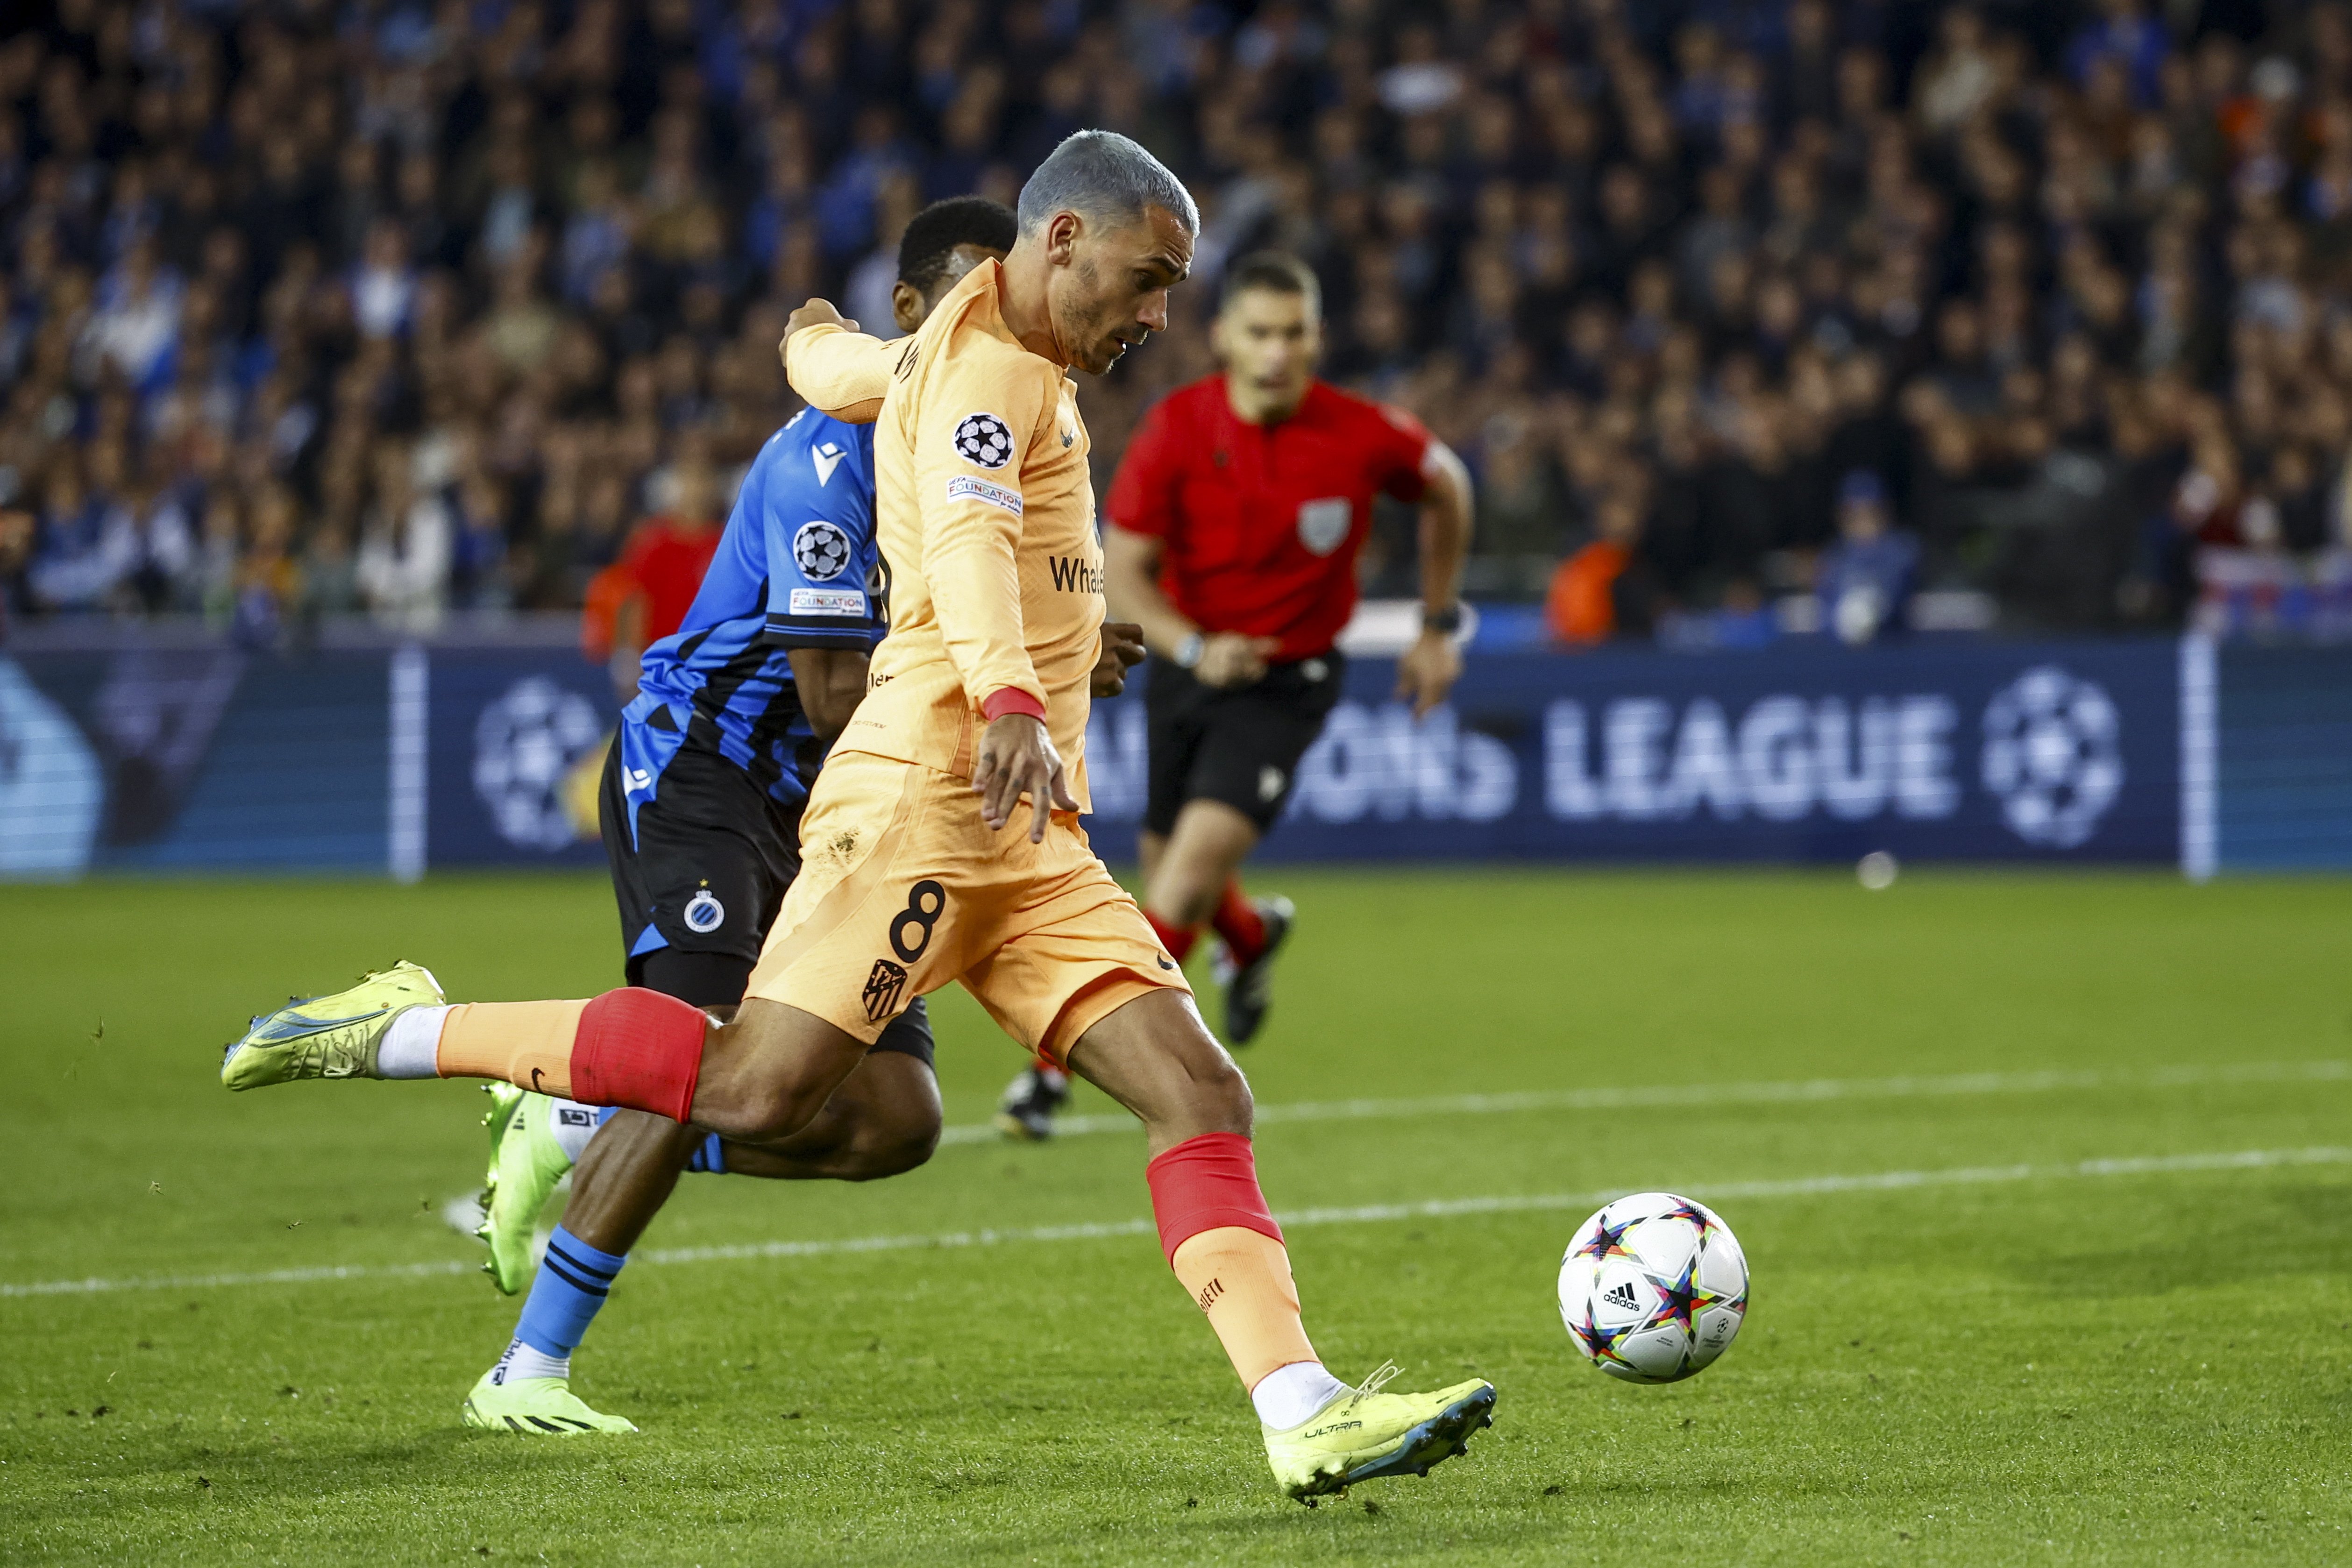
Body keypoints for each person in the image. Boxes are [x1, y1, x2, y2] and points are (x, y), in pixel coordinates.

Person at [221, 130, 1495, 1504]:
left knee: (1195, 1088)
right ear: (1060, 240)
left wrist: (809, 340)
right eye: (1145, 281)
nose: (1156, 318)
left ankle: (1300, 1409)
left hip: (1033, 836)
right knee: (756, 1086)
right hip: (923, 803)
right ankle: (397, 1028)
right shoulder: (994, 374)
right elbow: (957, 536)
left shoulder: (963, 342)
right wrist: (1013, 691)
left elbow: (855, 373)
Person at [453, 196, 1142, 1436]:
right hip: (714, 767)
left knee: (893, 1121)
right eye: (958, 309)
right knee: (708, 1029)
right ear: (907, 317)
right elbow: (833, 693)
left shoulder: (988, 450)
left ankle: (585, 1111)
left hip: (848, 804)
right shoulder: (829, 456)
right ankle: (528, 1371)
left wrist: (1057, 652)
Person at [995, 251, 1472, 1139]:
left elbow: (1447, 486)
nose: (1278, 352)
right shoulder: (1179, 429)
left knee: (1173, 887)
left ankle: (1047, 1077)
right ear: (1223, 337)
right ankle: (1250, 940)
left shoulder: (1361, 432)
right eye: (1260, 332)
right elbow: (1125, 568)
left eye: (1294, 333)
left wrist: (1440, 624)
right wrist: (1193, 647)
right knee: (1181, 871)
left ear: (1317, 337)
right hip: (1189, 672)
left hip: (1286, 684)